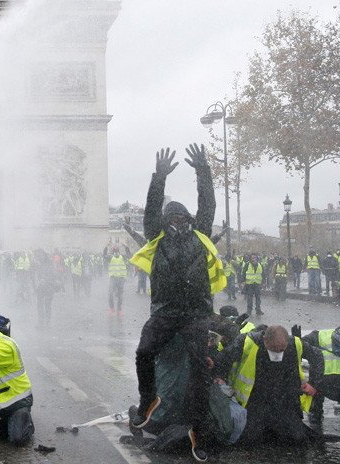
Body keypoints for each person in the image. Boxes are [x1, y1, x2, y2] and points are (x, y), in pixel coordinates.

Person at [129, 145, 223, 462]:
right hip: (166, 313)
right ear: (166, 220)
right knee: (143, 353)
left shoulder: (202, 234)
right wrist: (159, 178)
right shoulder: (157, 237)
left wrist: (203, 170)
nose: (179, 220)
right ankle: (147, 401)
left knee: (200, 376)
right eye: (174, 216)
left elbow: (208, 202)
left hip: (196, 314)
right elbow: (150, 208)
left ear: (191, 219)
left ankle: (200, 432)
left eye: (184, 217)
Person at [214, 325, 321, 445]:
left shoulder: (295, 344)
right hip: (254, 400)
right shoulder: (247, 342)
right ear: (265, 340)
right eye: (273, 348)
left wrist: (313, 383)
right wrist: (220, 377)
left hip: (284, 399)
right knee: (248, 440)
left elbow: (317, 356)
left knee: (296, 439)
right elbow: (222, 359)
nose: (277, 353)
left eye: (281, 350)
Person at [302, 327, 340, 424]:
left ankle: (315, 415)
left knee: (314, 379)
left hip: (324, 382)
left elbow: (301, 347)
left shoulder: (320, 335)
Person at [107, 247, 127, 316]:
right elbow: (104, 256)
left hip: (121, 278)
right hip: (113, 278)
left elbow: (129, 255)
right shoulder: (111, 258)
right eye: (114, 251)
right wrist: (106, 248)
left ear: (119, 251)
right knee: (110, 293)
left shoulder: (122, 257)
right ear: (113, 252)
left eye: (117, 251)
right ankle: (112, 308)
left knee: (120, 295)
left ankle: (119, 310)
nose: (116, 252)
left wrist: (126, 247)